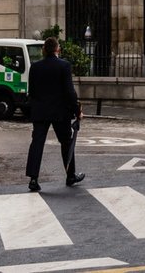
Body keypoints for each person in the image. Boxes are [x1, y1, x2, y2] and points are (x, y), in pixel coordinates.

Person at [26, 36, 84, 191]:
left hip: (40, 111)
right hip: (60, 112)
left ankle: (33, 179)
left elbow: (31, 91)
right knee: (66, 142)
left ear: (44, 49)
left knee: (37, 144)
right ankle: (70, 175)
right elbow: (69, 92)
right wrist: (77, 111)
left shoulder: (35, 67)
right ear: (58, 49)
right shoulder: (64, 66)